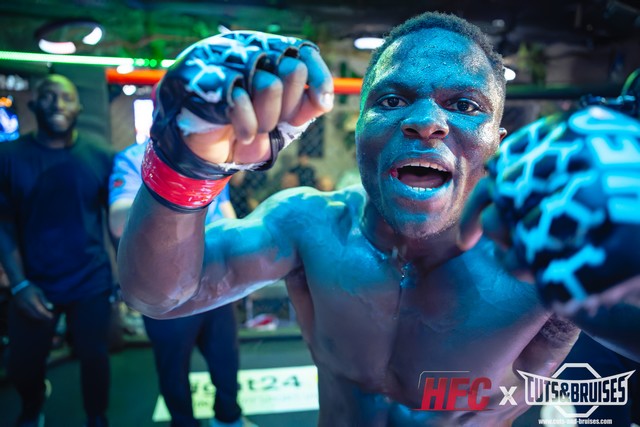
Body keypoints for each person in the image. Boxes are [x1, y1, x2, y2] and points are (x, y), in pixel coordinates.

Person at [117, 13, 640, 426]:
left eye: (464, 105)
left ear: (496, 145)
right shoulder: (309, 226)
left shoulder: (537, 262)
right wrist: (185, 164)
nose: (426, 123)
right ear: (359, 129)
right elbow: (160, 296)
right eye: (392, 99)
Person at [108, 140, 254, 427]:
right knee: (173, 368)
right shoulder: (134, 158)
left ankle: (228, 418)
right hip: (165, 279)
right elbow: (117, 221)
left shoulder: (211, 153)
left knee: (225, 358)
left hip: (213, 274)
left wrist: (238, 265)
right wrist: (173, 189)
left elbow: (225, 211)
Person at [0, 74, 114, 427]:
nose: (58, 105)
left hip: (90, 279)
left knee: (95, 358)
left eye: (66, 97)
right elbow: (3, 225)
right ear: (34, 104)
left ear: (79, 107)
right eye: (49, 96)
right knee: (23, 365)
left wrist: (124, 281)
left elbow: (116, 222)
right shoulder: (9, 157)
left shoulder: (100, 155)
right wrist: (19, 284)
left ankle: (97, 417)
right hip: (34, 281)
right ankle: (33, 406)